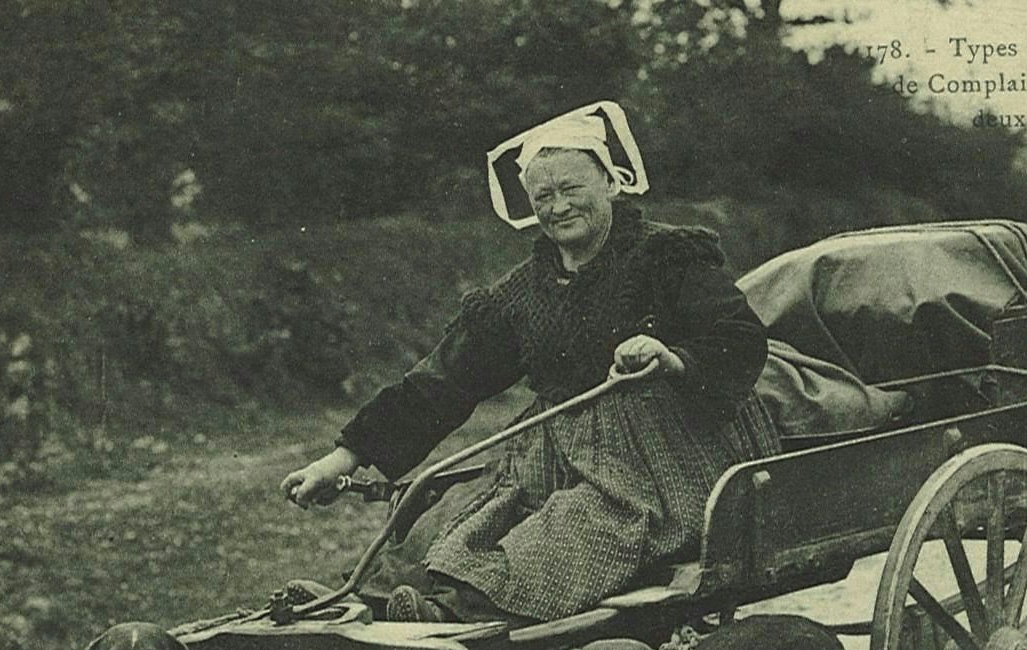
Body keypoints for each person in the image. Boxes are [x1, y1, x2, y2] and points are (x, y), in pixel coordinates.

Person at [280, 102, 779, 622]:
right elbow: (442, 381)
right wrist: (337, 463)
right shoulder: (522, 292)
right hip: (554, 450)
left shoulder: (666, 256)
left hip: (665, 453)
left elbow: (739, 338)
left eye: (572, 188)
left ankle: (457, 609)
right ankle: (366, 598)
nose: (558, 206)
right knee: (456, 508)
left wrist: (671, 358)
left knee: (572, 528)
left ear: (610, 183)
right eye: (544, 195)